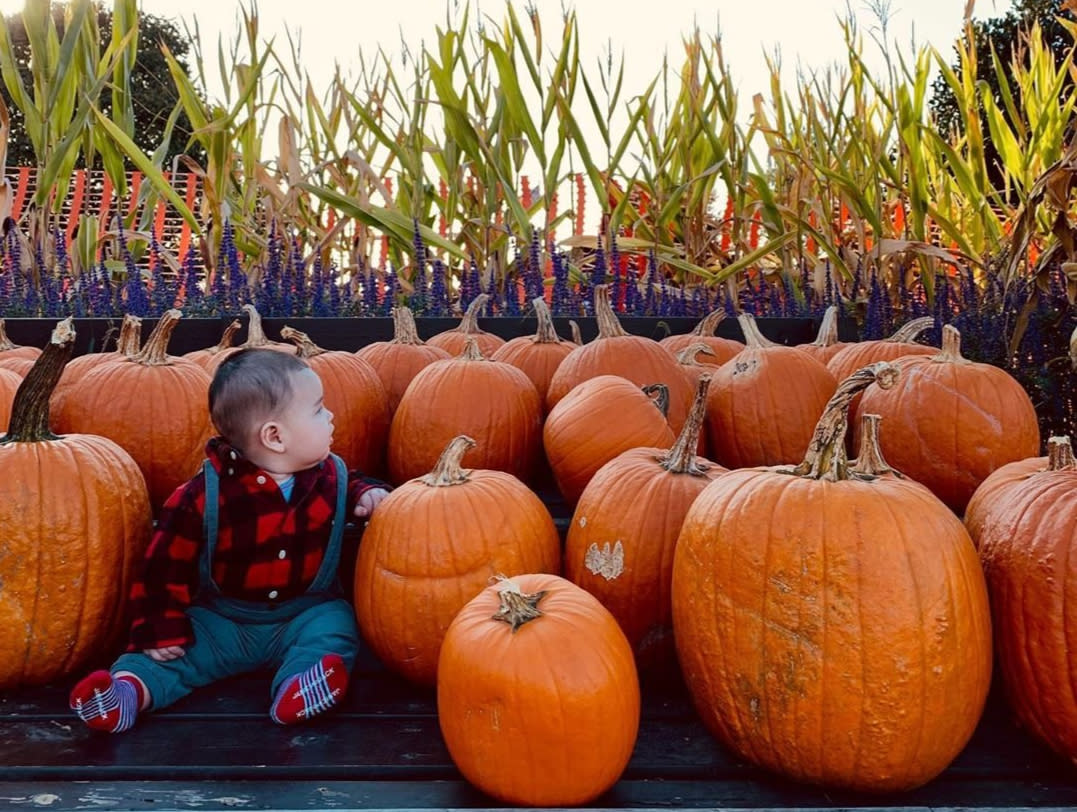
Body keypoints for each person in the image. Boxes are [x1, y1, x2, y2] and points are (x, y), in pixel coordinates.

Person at [69, 347, 390, 732]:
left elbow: (351, 482)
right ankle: (126, 694)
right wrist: (159, 623)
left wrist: (368, 493)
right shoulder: (204, 494)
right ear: (275, 436)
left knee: (335, 627)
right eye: (319, 410)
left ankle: (300, 687)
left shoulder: (331, 476)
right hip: (223, 620)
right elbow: (163, 563)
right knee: (173, 653)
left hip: (302, 614)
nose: (332, 416)